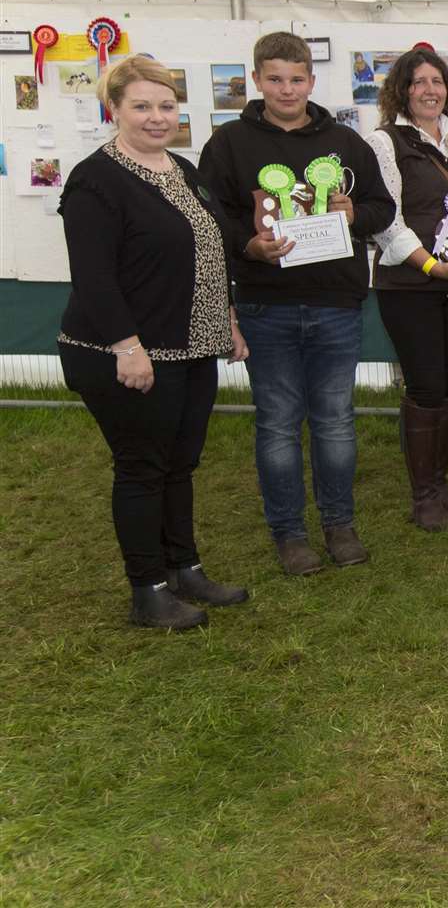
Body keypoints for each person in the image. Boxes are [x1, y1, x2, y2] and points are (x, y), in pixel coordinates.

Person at [57, 56, 250, 630]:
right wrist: (127, 346)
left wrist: (229, 320)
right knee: (142, 468)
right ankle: (148, 589)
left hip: (191, 348)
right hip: (126, 353)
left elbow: (209, 254)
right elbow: (94, 277)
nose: (157, 117)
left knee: (180, 464)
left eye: (166, 105)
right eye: (142, 106)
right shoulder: (96, 179)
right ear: (113, 109)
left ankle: (184, 568)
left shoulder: (183, 169)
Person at [199, 32, 395, 576]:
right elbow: (212, 216)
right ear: (258, 80)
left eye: (297, 78)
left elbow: (382, 208)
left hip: (336, 301)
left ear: (312, 81)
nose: (287, 89)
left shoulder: (347, 143)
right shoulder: (229, 143)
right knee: (278, 423)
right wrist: (249, 245)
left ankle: (339, 524)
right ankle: (288, 534)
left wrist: (355, 214)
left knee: (335, 420)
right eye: (276, 79)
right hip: (267, 303)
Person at [365, 46, 448, 532]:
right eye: (419, 82)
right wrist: (429, 266)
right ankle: (422, 497)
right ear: (402, 90)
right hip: (409, 285)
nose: (430, 90)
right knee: (424, 385)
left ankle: (440, 485)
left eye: (437, 82)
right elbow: (385, 220)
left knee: (447, 383)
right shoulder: (383, 143)